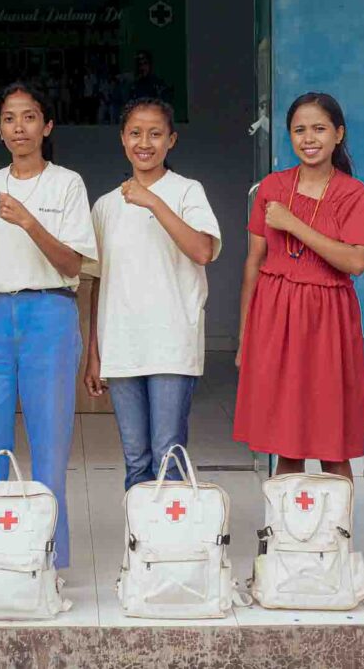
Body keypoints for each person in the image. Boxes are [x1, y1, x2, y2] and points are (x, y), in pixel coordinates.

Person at [0, 82, 98, 569]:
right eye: (10, 118)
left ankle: (49, 561)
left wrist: (30, 222)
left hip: (50, 313)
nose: (20, 127)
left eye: (30, 117)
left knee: (49, 443)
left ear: (47, 125)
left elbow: (74, 264)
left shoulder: (67, 184)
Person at [234, 92, 364, 480]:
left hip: (328, 321)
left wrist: (293, 224)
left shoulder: (354, 194)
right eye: (299, 130)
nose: (309, 138)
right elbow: (254, 262)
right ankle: (286, 536)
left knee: (331, 444)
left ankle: (337, 536)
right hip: (275, 316)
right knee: (286, 443)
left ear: (338, 134)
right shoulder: (272, 187)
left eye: (319, 128)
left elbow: (355, 261)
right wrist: (244, 335)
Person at [83, 97, 221, 490]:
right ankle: (141, 546)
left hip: (171, 345)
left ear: (171, 140)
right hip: (122, 346)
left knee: (168, 454)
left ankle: (173, 546)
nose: (145, 142)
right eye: (136, 133)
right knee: (135, 458)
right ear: (122, 139)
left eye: (156, 134)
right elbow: (96, 282)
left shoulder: (186, 191)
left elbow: (202, 250)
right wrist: (94, 353)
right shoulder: (106, 206)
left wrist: (153, 202)